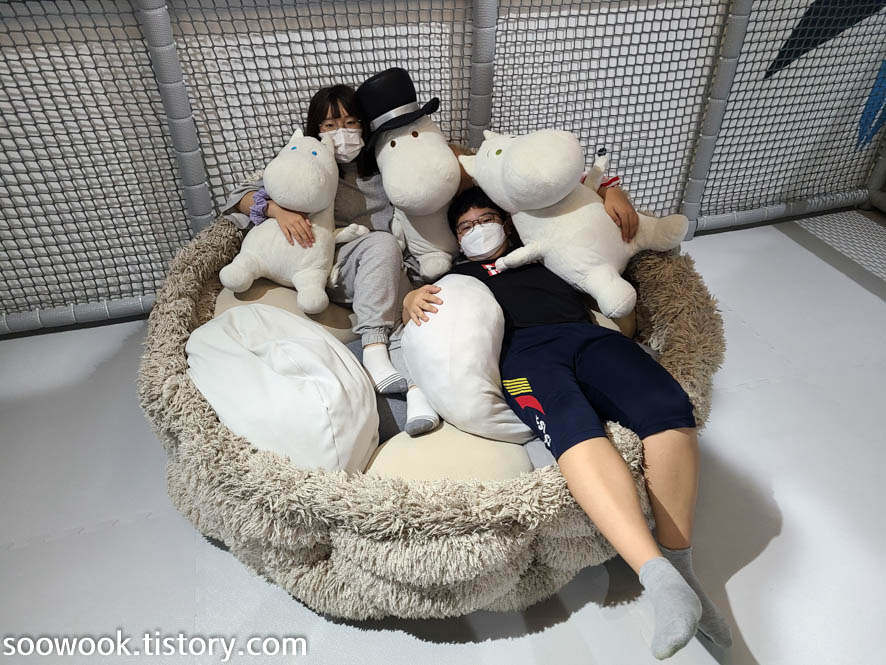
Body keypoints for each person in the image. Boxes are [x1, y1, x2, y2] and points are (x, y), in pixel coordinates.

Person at [401, 186, 733, 660]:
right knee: (571, 427)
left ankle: (681, 568)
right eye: (465, 226)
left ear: (506, 222)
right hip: (523, 359)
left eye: (486, 218)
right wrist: (410, 299)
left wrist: (611, 192)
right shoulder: (457, 277)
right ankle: (657, 576)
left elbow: (596, 222)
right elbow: (416, 315)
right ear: (456, 240)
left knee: (668, 405)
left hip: (586, 336)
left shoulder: (545, 250)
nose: (477, 230)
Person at [221, 84, 411, 395]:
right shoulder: (311, 168)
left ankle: (414, 392)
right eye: (330, 125)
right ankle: (374, 353)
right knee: (382, 245)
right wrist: (276, 210)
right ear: (317, 130)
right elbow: (238, 198)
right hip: (333, 265)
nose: (342, 133)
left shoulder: (382, 165)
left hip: (388, 267)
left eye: (350, 123)